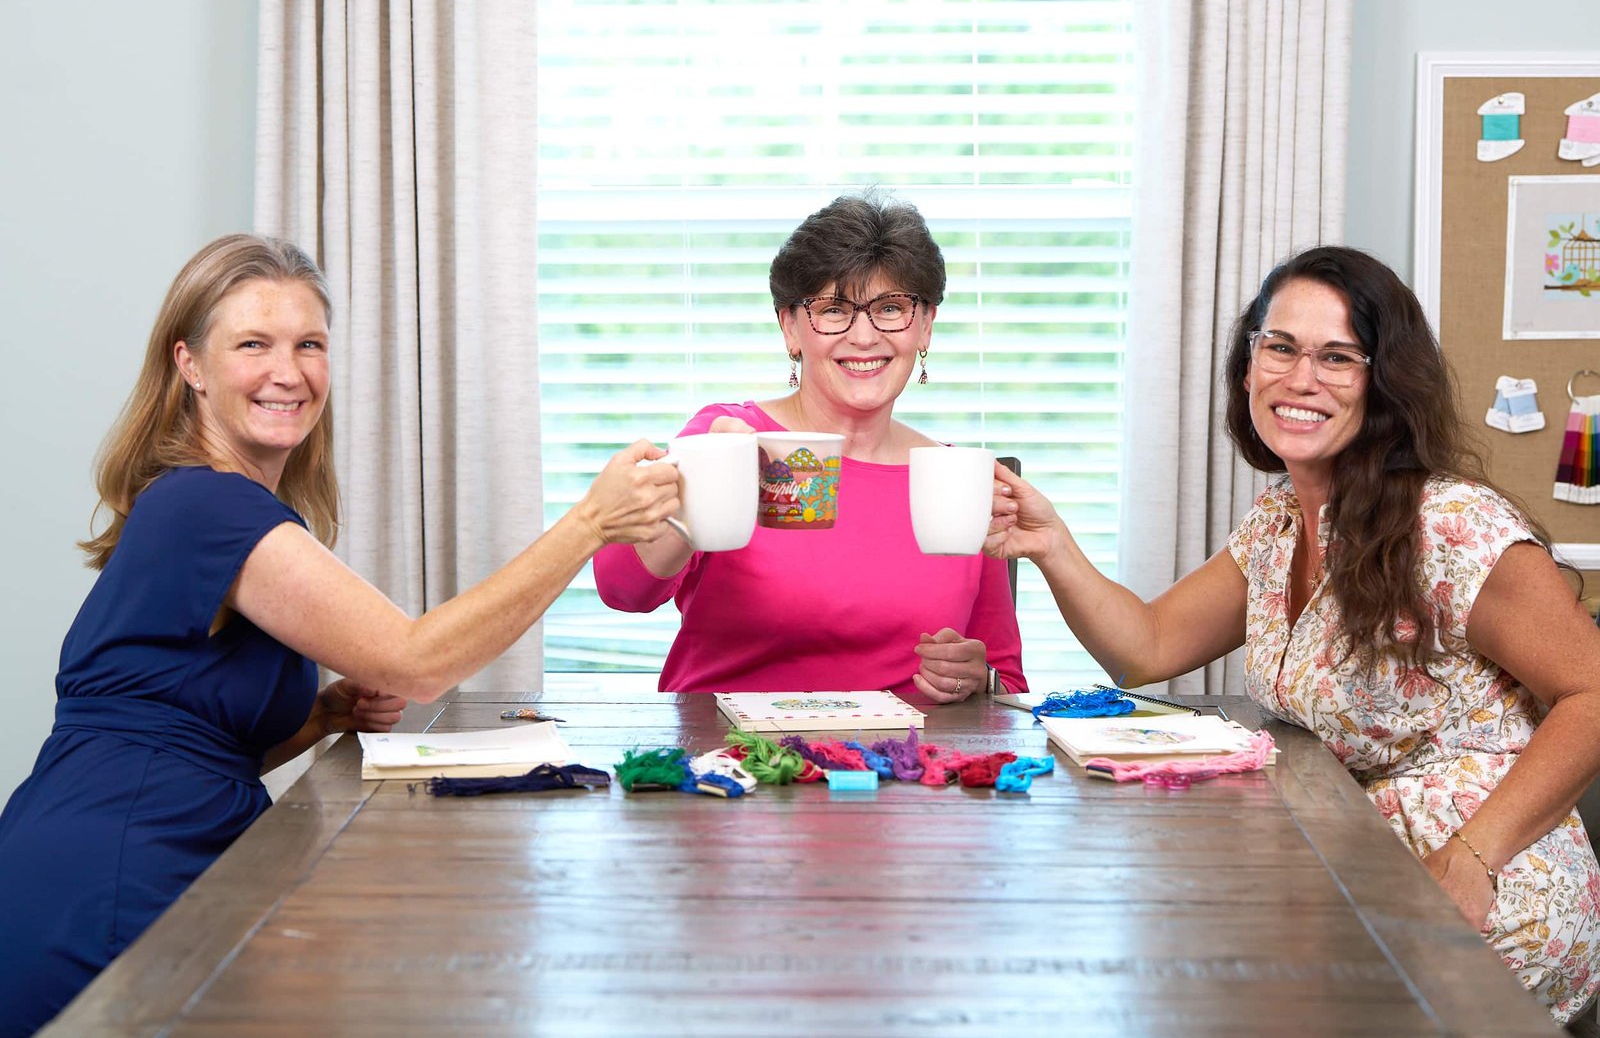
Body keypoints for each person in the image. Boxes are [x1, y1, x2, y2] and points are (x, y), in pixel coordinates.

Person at [0, 235, 681, 1036]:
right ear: (190, 365)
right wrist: (591, 523)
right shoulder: (209, 508)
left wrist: (319, 718)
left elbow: (181, 736)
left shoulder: (213, 506)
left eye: (309, 344)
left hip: (150, 856)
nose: (288, 371)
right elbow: (419, 660)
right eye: (253, 343)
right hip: (111, 883)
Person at [986, 245, 1600, 1024]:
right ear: (1248, 367)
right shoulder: (1281, 522)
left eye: (1337, 356)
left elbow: (1594, 692)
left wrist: (1475, 855)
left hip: (1488, 880)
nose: (1300, 378)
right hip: (1361, 865)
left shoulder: (1451, 524)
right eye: (1279, 347)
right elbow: (1145, 645)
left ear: (1382, 382)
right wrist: (1051, 543)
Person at [594, 192, 1025, 700]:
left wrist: (979, 679)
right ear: (790, 327)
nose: (864, 337)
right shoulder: (727, 436)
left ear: (926, 325)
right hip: (733, 762)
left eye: (891, 308)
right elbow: (623, 590)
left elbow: (1007, 683)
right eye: (833, 309)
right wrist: (705, 485)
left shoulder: (961, 479)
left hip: (900, 767)